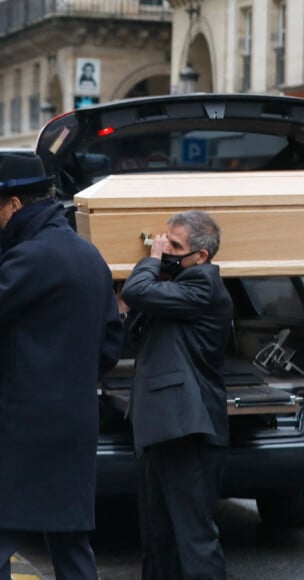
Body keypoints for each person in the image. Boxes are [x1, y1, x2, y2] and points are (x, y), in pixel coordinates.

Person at [0, 153, 124, 579]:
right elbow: (110, 346)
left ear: (14, 205)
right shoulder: (88, 256)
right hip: (73, 426)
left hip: (21, 432)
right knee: (70, 544)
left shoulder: (29, 258)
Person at [121, 209, 233, 580]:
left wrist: (151, 260)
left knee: (193, 538)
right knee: (158, 537)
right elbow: (134, 324)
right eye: (164, 239)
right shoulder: (180, 283)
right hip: (163, 428)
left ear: (200, 256)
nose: (164, 247)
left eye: (174, 244)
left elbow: (137, 291)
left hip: (188, 430)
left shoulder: (202, 285)